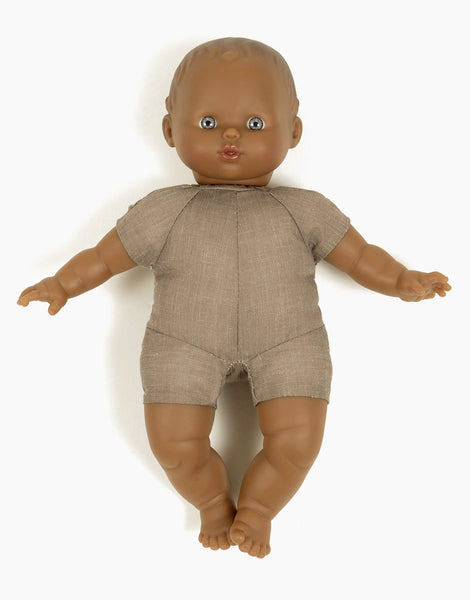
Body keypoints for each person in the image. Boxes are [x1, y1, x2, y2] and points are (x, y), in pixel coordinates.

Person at [17, 38, 451, 559]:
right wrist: (63, 284)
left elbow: (360, 257)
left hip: (290, 343)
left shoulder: (307, 210)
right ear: (169, 130)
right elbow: (104, 257)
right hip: (182, 343)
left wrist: (401, 280)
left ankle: (260, 509)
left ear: (293, 132)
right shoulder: (162, 210)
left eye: (255, 123)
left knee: (298, 444)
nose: (230, 134)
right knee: (174, 445)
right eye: (207, 123)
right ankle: (210, 502)